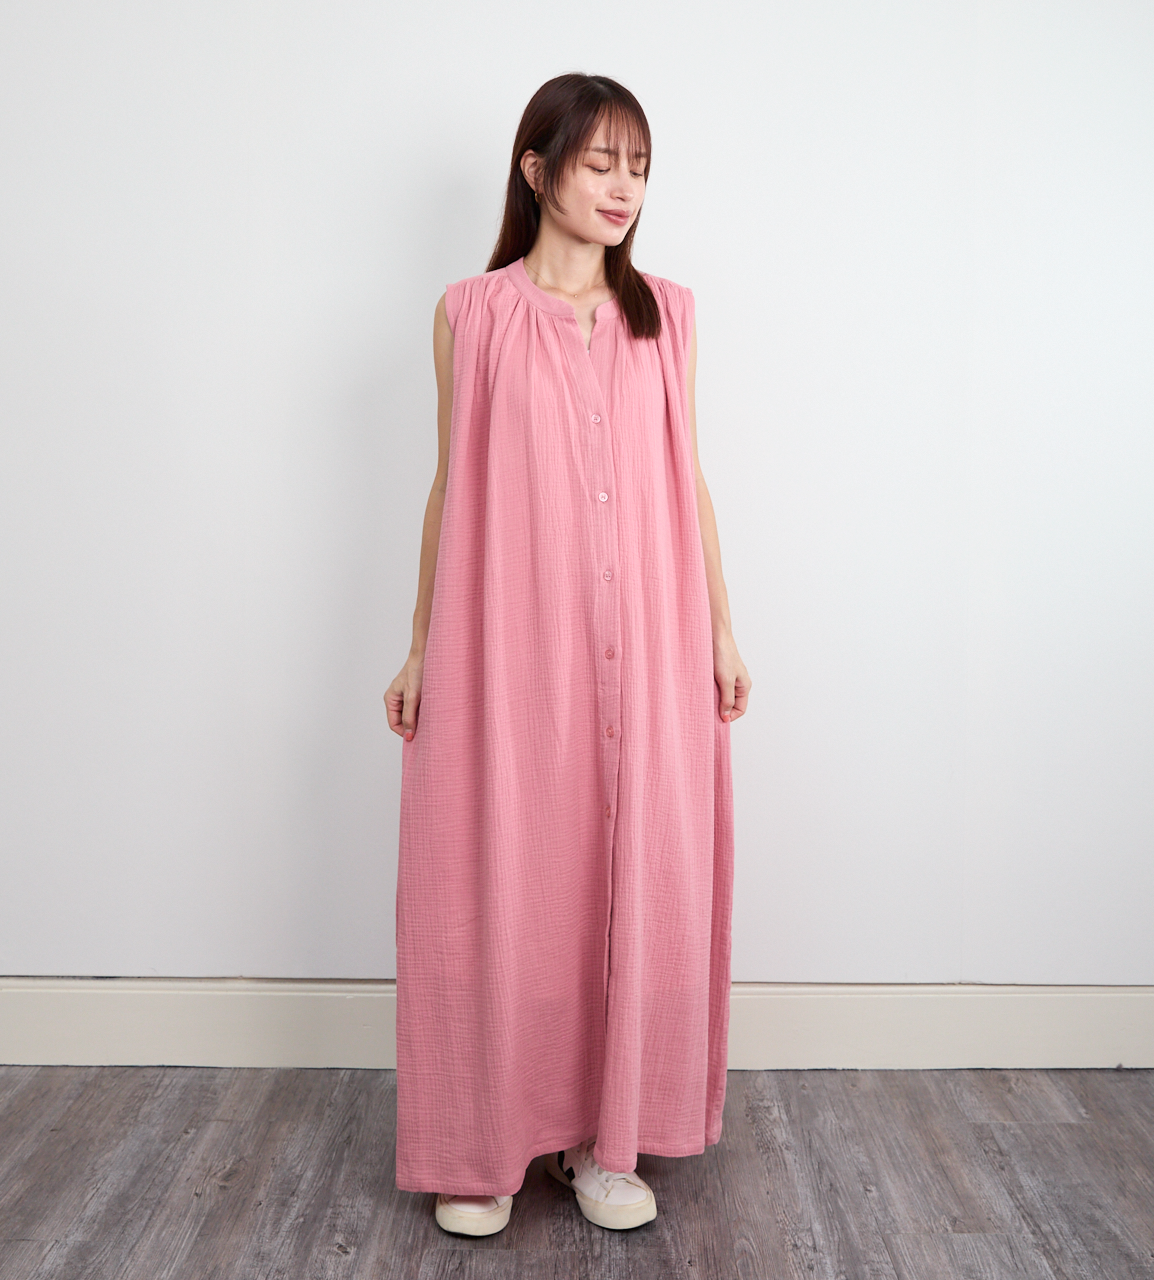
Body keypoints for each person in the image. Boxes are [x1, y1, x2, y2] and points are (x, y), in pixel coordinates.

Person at [383, 72, 750, 1238]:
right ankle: (487, 1138)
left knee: (627, 880)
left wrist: (720, 628)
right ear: (537, 171)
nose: (622, 187)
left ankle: (604, 1137)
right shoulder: (469, 314)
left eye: (637, 166)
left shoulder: (666, 315)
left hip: (650, 641)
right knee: (503, 876)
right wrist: (418, 646)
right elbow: (449, 484)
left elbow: (686, 480)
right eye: (599, 163)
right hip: (511, 641)